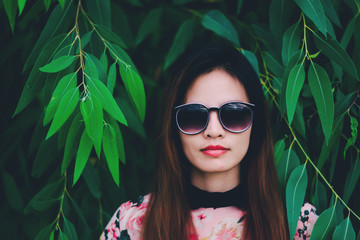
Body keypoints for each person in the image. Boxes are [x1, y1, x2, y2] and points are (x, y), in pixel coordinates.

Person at [100, 43, 318, 240]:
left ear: (256, 124)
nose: (214, 131)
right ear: (173, 128)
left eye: (234, 115)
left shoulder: (299, 224)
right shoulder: (132, 223)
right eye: (194, 116)